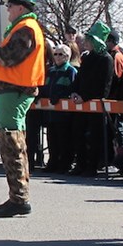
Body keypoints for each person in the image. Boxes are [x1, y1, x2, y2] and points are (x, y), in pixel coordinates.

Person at [0, 0, 46, 217]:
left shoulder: (25, 28)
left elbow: (8, 58)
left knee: (11, 142)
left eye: (10, 5)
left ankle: (19, 198)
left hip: (15, 90)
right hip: (14, 90)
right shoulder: (24, 27)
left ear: (21, 7)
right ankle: (18, 196)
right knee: (13, 140)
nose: (7, 9)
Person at [70, 21, 114, 178]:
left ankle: (92, 166)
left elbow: (103, 86)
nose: (86, 42)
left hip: (96, 104)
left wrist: (85, 97)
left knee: (95, 137)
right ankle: (80, 164)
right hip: (81, 103)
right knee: (78, 133)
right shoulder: (87, 57)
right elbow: (79, 78)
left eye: (90, 39)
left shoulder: (106, 59)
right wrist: (74, 92)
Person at [43, 43, 78, 173]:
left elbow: (72, 88)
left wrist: (60, 95)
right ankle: (52, 162)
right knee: (52, 138)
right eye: (55, 54)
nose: (57, 57)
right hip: (50, 112)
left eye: (60, 54)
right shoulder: (51, 71)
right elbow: (46, 87)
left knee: (64, 139)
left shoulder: (71, 71)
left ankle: (64, 164)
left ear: (67, 56)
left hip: (64, 113)